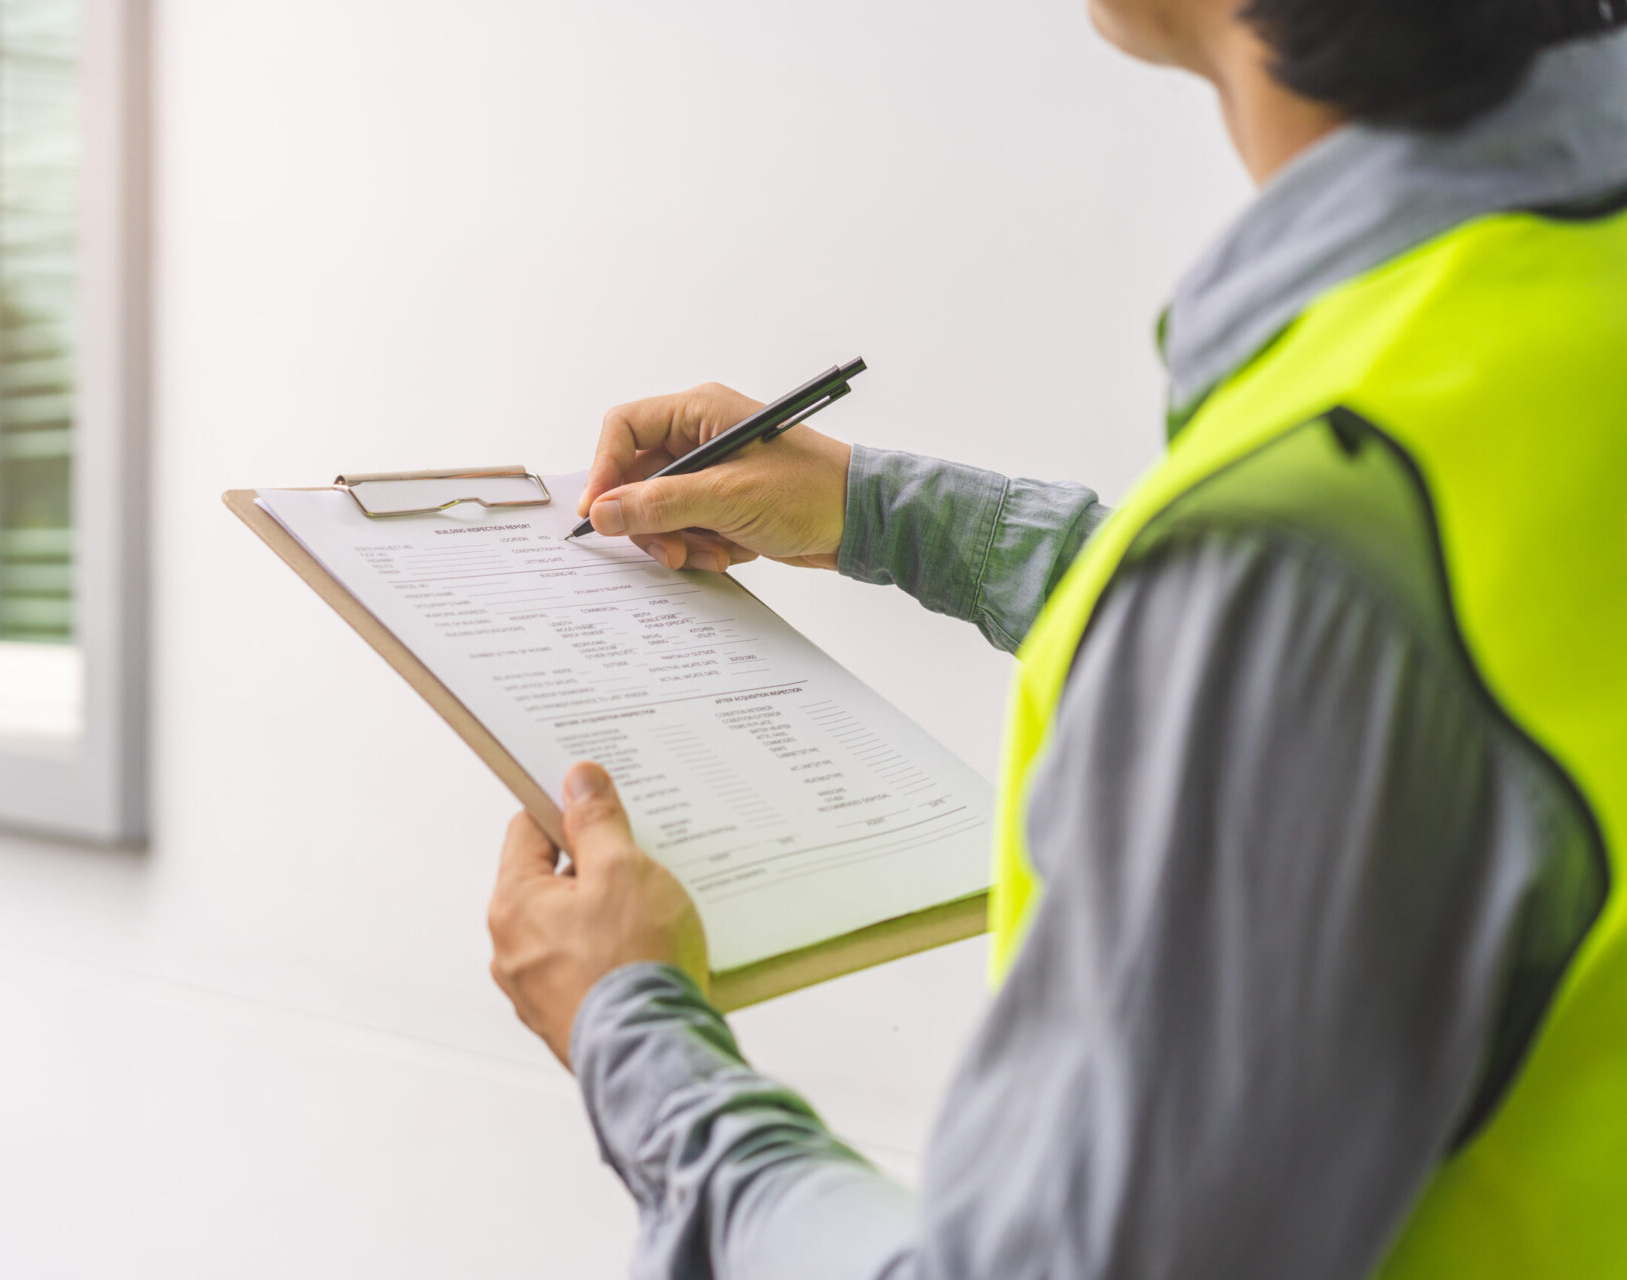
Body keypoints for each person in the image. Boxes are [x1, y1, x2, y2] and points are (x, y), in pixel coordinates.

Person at [485, 0, 1627, 1275]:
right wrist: (884, 510)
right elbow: (1442, 655)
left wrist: (637, 1041)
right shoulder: (1556, 301)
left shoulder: (1301, 554)